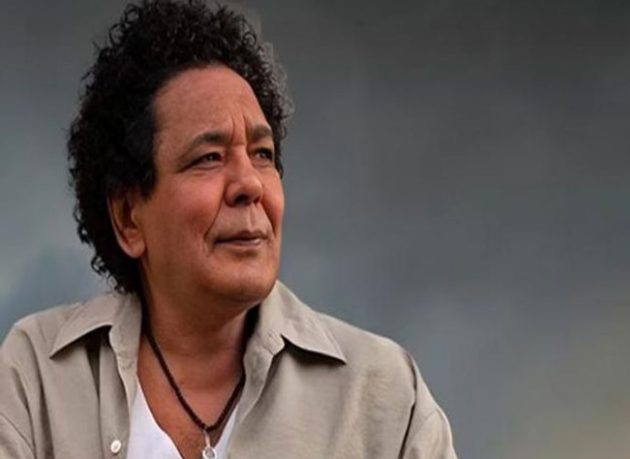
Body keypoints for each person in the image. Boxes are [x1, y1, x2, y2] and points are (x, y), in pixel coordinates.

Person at [0, 1, 456, 458]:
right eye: (209, 157)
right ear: (128, 217)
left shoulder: (387, 400)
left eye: (262, 154)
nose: (249, 184)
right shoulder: (36, 377)